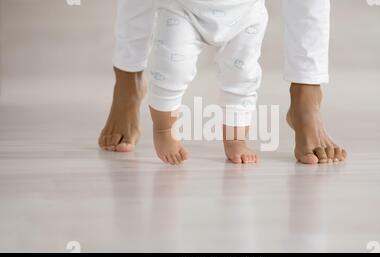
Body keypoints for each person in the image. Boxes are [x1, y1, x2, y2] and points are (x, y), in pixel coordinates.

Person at [99, 0, 347, 164]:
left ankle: (237, 139)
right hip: (183, 8)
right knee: (171, 70)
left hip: (244, 11)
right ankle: (162, 128)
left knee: (242, 77)